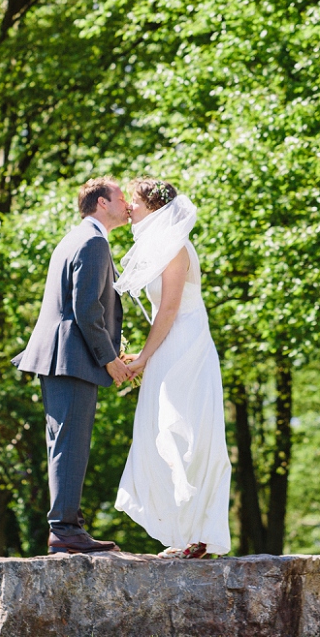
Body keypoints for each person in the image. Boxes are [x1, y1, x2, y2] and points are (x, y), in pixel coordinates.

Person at [12, 177, 132, 554]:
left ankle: (68, 524)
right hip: (72, 356)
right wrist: (110, 360)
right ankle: (65, 530)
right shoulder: (94, 242)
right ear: (101, 203)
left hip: (64, 355)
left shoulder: (76, 237)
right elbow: (86, 309)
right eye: (121, 198)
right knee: (70, 442)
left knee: (64, 441)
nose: (127, 204)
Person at [114, 178, 232, 559]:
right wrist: (147, 354)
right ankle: (183, 535)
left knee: (182, 430)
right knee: (161, 431)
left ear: (154, 207)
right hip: (169, 342)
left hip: (186, 345)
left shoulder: (176, 247)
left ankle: (199, 534)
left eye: (134, 201)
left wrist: (145, 357)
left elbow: (169, 308)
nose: (129, 208)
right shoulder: (159, 244)